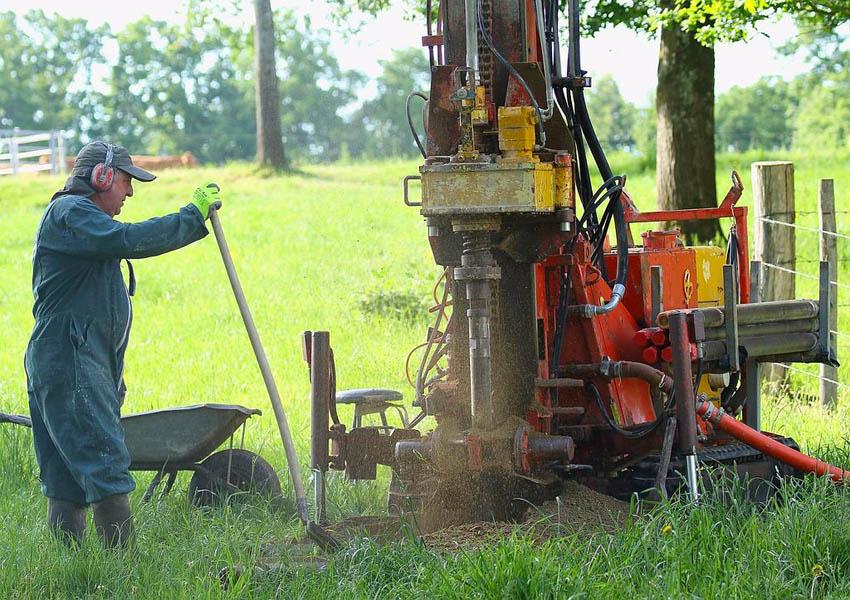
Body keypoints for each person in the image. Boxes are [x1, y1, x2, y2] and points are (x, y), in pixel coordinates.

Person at [24, 141, 222, 548]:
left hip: (67, 357)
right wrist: (190, 216)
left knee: (66, 478)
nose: (130, 192)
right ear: (102, 177)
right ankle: (122, 570)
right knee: (105, 464)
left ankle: (75, 566)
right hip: (69, 360)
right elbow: (129, 238)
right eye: (127, 181)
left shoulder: (82, 227)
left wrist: (112, 379)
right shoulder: (71, 213)